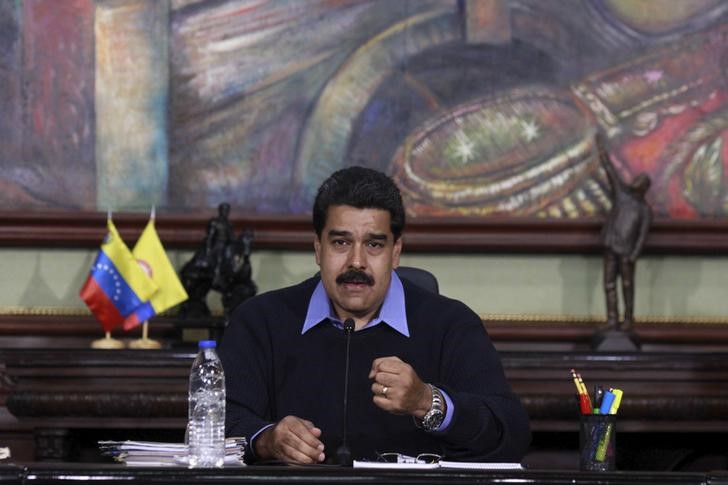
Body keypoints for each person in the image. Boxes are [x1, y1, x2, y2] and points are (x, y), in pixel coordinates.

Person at [218, 166, 531, 465]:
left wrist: (426, 402)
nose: (357, 262)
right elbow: (218, 422)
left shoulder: (451, 325)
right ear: (318, 249)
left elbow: (511, 434)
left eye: (374, 244)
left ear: (395, 252)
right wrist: (266, 439)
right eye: (341, 242)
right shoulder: (260, 322)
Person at [597, 134, 652, 331]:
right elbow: (610, 172)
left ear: (645, 188)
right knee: (609, 283)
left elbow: (642, 236)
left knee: (627, 285)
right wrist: (602, 152)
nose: (636, 181)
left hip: (627, 253)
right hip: (611, 245)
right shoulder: (622, 195)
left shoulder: (644, 210)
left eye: (640, 180)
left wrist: (634, 254)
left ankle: (628, 319)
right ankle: (612, 319)